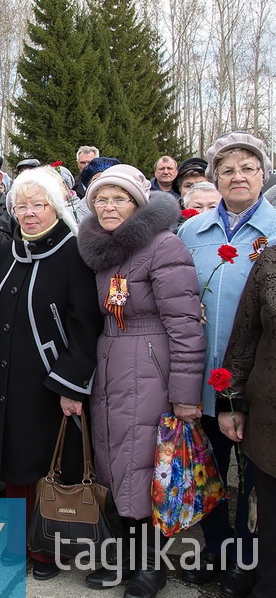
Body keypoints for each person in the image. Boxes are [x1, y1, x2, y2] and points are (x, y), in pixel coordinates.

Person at [77, 165, 206, 596]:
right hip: (111, 361)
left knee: (148, 465)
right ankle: (124, 556)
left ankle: (151, 565)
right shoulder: (102, 252)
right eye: (101, 199)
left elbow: (186, 325)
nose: (108, 207)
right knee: (116, 463)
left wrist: (186, 396)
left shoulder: (164, 246)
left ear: (138, 204)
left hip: (152, 365)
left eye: (119, 198)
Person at [0, 168, 102, 580]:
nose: (29, 213)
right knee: (15, 466)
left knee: (49, 468)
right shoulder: (11, 250)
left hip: (49, 385)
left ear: (55, 206)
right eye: (22, 205)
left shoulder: (73, 252)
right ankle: (18, 542)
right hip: (7, 380)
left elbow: (86, 325)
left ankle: (49, 550)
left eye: (38, 205)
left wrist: (72, 385)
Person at [177, 131, 276, 597]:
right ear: (215, 178)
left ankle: (247, 560)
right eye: (228, 170)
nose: (238, 177)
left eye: (248, 169)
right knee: (209, 473)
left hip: (259, 385)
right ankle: (216, 554)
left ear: (263, 175)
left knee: (256, 481)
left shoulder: (274, 234)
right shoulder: (192, 232)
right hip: (202, 380)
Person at [218, 245, 276, 598]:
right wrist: (231, 401)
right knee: (271, 516)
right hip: (270, 417)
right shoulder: (270, 261)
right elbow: (244, 336)